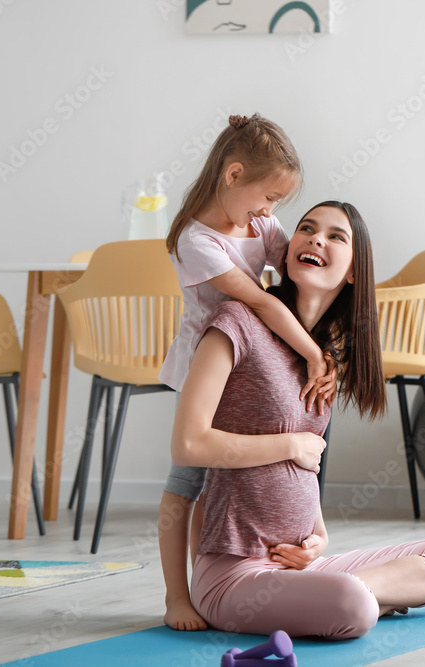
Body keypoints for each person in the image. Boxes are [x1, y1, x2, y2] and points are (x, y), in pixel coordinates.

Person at [170, 201, 425, 638]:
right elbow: (189, 445)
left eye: (336, 236)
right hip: (234, 575)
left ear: (354, 270)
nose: (316, 238)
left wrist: (320, 539)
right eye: (306, 228)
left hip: (302, 566)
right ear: (287, 248)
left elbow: (306, 472)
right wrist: (291, 444)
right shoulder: (236, 321)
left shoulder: (324, 362)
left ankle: (343, 591)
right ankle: (358, 594)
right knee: (352, 607)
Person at [159, 113, 335, 631]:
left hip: (253, 367)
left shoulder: (258, 224)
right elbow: (262, 303)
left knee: (223, 487)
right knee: (186, 483)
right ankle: (179, 595)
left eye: (277, 203)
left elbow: (294, 268)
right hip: (208, 370)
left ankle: (217, 581)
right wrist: (312, 353)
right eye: (268, 197)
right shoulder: (198, 241)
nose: (269, 211)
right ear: (233, 174)